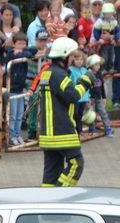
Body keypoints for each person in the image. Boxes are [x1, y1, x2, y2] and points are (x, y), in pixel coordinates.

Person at [37, 37, 93, 187]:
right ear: (64, 56)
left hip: (48, 134)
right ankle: (60, 195)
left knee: (51, 174)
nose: (73, 60)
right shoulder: (58, 75)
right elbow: (73, 96)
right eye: (72, 56)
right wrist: (86, 81)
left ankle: (47, 202)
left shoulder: (48, 73)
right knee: (76, 164)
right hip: (62, 132)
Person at [3, 33, 38, 146]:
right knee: (12, 115)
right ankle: (11, 135)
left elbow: (33, 50)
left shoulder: (24, 52)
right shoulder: (10, 53)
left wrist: (24, 51)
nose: (22, 45)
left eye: (24, 43)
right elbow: (15, 56)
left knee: (19, 114)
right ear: (14, 43)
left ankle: (17, 134)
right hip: (12, 88)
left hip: (20, 88)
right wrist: (22, 53)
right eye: (19, 43)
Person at [85, 53, 113, 136]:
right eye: (96, 64)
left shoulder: (99, 74)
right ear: (91, 65)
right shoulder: (88, 74)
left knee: (103, 113)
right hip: (91, 98)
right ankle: (92, 129)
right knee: (91, 115)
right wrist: (87, 98)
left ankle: (108, 127)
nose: (98, 66)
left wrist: (104, 97)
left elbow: (102, 86)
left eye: (99, 64)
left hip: (98, 98)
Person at [92, 3, 120, 76]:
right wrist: (99, 39)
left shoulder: (114, 21)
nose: (108, 15)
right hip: (103, 43)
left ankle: (110, 68)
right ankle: (103, 69)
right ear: (103, 13)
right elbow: (96, 31)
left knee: (112, 56)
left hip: (111, 43)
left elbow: (118, 31)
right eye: (107, 13)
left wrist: (115, 39)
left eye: (110, 13)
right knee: (104, 56)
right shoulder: (100, 21)